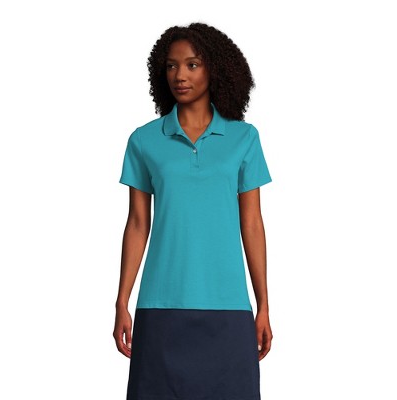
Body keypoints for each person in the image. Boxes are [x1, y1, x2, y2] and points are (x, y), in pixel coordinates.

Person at [113, 22, 273, 400]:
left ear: (214, 68)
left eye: (192, 65)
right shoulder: (144, 140)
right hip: (160, 303)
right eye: (171, 66)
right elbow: (138, 224)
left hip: (229, 305)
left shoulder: (244, 138)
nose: (179, 75)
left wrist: (263, 304)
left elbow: (252, 223)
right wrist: (122, 300)